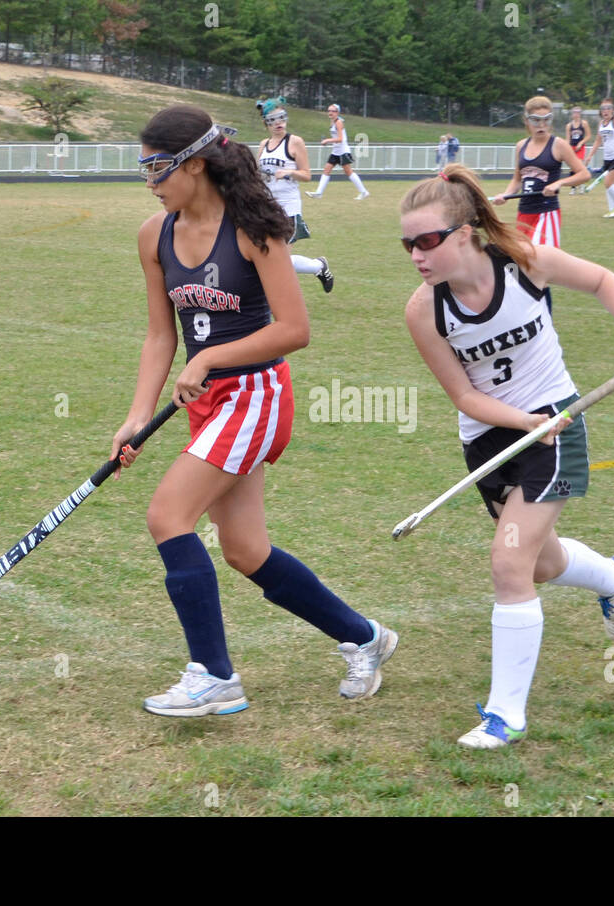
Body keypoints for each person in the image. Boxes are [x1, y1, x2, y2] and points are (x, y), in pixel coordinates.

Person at [122, 105, 397, 717]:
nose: (150, 180)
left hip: (255, 395)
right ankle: (365, 637)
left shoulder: (252, 228)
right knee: (245, 549)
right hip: (208, 402)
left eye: (157, 166)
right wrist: (138, 417)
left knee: (168, 515)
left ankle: (213, 675)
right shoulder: (154, 235)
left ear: (194, 164)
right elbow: (160, 336)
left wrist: (210, 357)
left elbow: (294, 329)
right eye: (144, 167)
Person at [399, 164, 614, 749]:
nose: (417, 256)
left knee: (508, 564)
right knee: (540, 565)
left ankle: (506, 716)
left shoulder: (524, 262)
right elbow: (464, 396)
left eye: (427, 241)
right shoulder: (424, 311)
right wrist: (522, 423)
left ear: (465, 233)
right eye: (408, 245)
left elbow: (602, 280)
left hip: (558, 426)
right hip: (490, 440)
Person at [255, 99, 333, 293]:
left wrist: (289, 172)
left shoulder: (295, 142)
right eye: (273, 120)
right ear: (266, 123)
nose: (278, 123)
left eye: (282, 118)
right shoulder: (264, 144)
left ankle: (317, 267)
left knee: (279, 260)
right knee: (266, 256)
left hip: (288, 208)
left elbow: (306, 174)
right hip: (267, 208)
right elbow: (257, 173)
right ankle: (318, 266)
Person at [489, 96, 588, 244]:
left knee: (539, 255)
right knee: (521, 255)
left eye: (546, 119)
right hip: (524, 212)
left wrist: (559, 183)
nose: (541, 125)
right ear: (526, 120)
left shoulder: (558, 145)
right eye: (536, 120)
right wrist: (506, 195)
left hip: (546, 212)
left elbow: (584, 174)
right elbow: (517, 179)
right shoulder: (521, 146)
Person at [579, 98, 614, 218]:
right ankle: (612, 209)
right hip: (607, 158)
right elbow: (598, 141)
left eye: (608, 108)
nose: (606, 110)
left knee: (608, 182)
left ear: (613, 110)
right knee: (608, 184)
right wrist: (590, 156)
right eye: (603, 108)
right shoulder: (601, 124)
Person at [307, 103, 368, 200]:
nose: (330, 113)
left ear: (337, 112)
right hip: (336, 151)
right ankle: (319, 193)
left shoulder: (339, 122)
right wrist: (329, 142)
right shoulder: (332, 122)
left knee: (349, 172)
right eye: (329, 110)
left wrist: (327, 140)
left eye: (333, 111)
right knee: (326, 170)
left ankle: (364, 192)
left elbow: (340, 139)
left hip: (343, 151)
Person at [565, 106, 592, 194]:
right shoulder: (569, 126)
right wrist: (567, 148)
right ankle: (573, 188)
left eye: (578, 112)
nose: (576, 114)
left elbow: (588, 136)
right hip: (572, 147)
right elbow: (568, 139)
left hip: (580, 147)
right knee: (572, 167)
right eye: (574, 112)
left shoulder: (584, 124)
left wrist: (581, 143)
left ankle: (581, 185)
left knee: (580, 165)